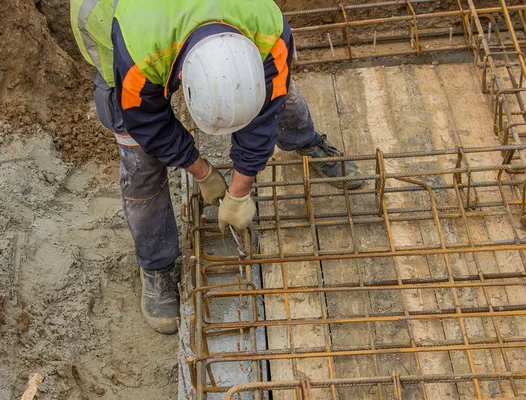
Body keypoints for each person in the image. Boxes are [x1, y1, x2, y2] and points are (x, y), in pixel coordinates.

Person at [70, 0, 363, 334]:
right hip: (111, 24)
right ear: (179, 77)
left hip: (182, 30)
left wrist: (240, 189)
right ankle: (156, 265)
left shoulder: (267, 26)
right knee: (140, 160)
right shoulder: (138, 55)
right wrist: (202, 172)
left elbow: (267, 104)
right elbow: (148, 123)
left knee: (279, 94)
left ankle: (303, 138)